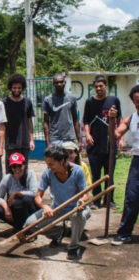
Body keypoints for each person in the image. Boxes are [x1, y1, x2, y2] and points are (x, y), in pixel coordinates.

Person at [24, 145, 91, 260]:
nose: (48, 167)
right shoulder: (47, 173)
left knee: (76, 216)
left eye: (51, 164)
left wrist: (81, 201)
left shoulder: (77, 171)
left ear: (62, 161)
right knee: (29, 225)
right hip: (58, 208)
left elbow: (86, 194)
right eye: (47, 163)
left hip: (77, 208)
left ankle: (74, 247)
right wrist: (44, 207)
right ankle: (59, 233)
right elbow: (38, 197)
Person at [83, 75, 123, 209]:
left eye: (101, 86)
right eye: (96, 87)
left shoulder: (114, 100)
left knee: (109, 174)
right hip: (94, 146)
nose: (99, 89)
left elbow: (120, 119)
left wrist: (121, 138)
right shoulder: (89, 102)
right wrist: (88, 134)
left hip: (109, 145)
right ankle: (96, 201)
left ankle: (109, 200)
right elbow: (86, 121)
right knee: (96, 175)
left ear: (106, 86)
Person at [111, 85, 139, 245]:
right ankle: (124, 233)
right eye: (136, 102)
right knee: (132, 196)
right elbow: (115, 134)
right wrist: (112, 121)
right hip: (137, 160)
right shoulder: (131, 118)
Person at [0, 153, 38, 230]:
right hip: (15, 208)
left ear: (24, 165)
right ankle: (19, 227)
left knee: (26, 199)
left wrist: (16, 193)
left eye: (19, 165)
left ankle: (31, 227)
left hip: (30, 207)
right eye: (14, 166)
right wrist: (6, 208)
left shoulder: (31, 174)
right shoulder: (7, 178)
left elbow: (34, 193)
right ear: (11, 167)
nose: (17, 169)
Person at [3, 73, 35, 171]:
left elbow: (29, 121)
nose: (17, 90)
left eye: (19, 88)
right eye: (14, 88)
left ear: (22, 88)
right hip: (10, 143)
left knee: (24, 169)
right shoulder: (4, 103)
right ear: (10, 88)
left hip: (24, 143)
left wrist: (31, 140)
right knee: (10, 169)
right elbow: (1, 124)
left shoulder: (27, 102)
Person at [43, 74, 81, 147]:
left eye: (61, 82)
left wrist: (79, 140)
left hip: (70, 138)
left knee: (70, 159)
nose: (59, 84)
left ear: (65, 82)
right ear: (53, 84)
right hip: (55, 139)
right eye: (57, 82)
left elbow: (75, 119)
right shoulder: (48, 100)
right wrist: (47, 143)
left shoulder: (72, 98)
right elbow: (45, 122)